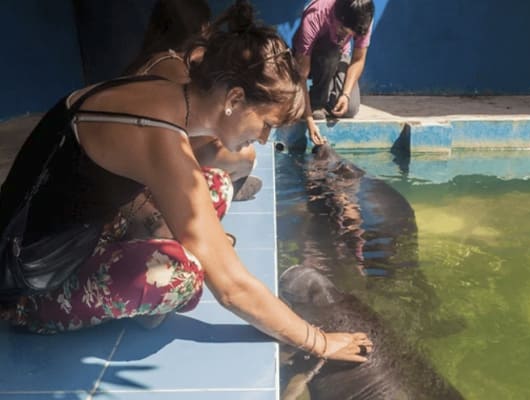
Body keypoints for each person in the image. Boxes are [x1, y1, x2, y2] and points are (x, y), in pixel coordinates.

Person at [0, 0, 372, 362]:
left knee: (216, 185)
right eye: (267, 124)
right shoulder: (158, 137)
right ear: (235, 98)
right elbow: (231, 288)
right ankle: (39, 311)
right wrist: (318, 341)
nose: (263, 138)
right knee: (181, 275)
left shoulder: (166, 91)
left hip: (74, 231)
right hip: (26, 286)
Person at [126, 0, 262, 201]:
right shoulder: (176, 70)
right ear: (203, 28)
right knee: (247, 156)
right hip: (146, 173)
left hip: (134, 159)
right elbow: (191, 131)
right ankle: (223, 186)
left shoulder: (154, 58)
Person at [292, 0, 375, 145]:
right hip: (309, 57)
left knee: (350, 108)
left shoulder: (363, 16)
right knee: (330, 52)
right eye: (345, 30)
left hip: (339, 56)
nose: (346, 36)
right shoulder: (315, 15)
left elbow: (358, 59)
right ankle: (316, 102)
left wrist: (346, 95)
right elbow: (301, 75)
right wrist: (309, 121)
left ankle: (325, 97)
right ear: (339, 18)